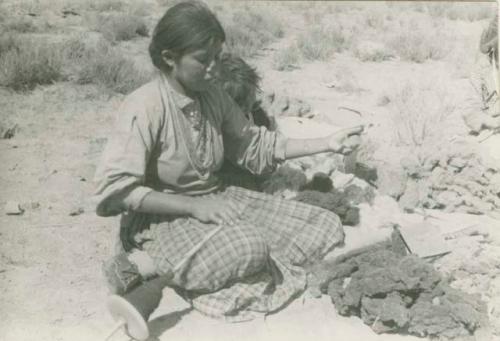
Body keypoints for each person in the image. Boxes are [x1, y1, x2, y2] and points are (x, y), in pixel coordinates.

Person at [94, 0, 363, 329]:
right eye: (202, 61)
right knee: (249, 248)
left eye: (217, 59)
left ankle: (199, 262)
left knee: (324, 226)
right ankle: (141, 262)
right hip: (163, 217)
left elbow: (255, 145)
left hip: (219, 199)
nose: (213, 70)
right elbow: (114, 192)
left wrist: (327, 142)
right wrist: (193, 208)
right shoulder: (144, 106)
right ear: (169, 58)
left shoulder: (212, 95)